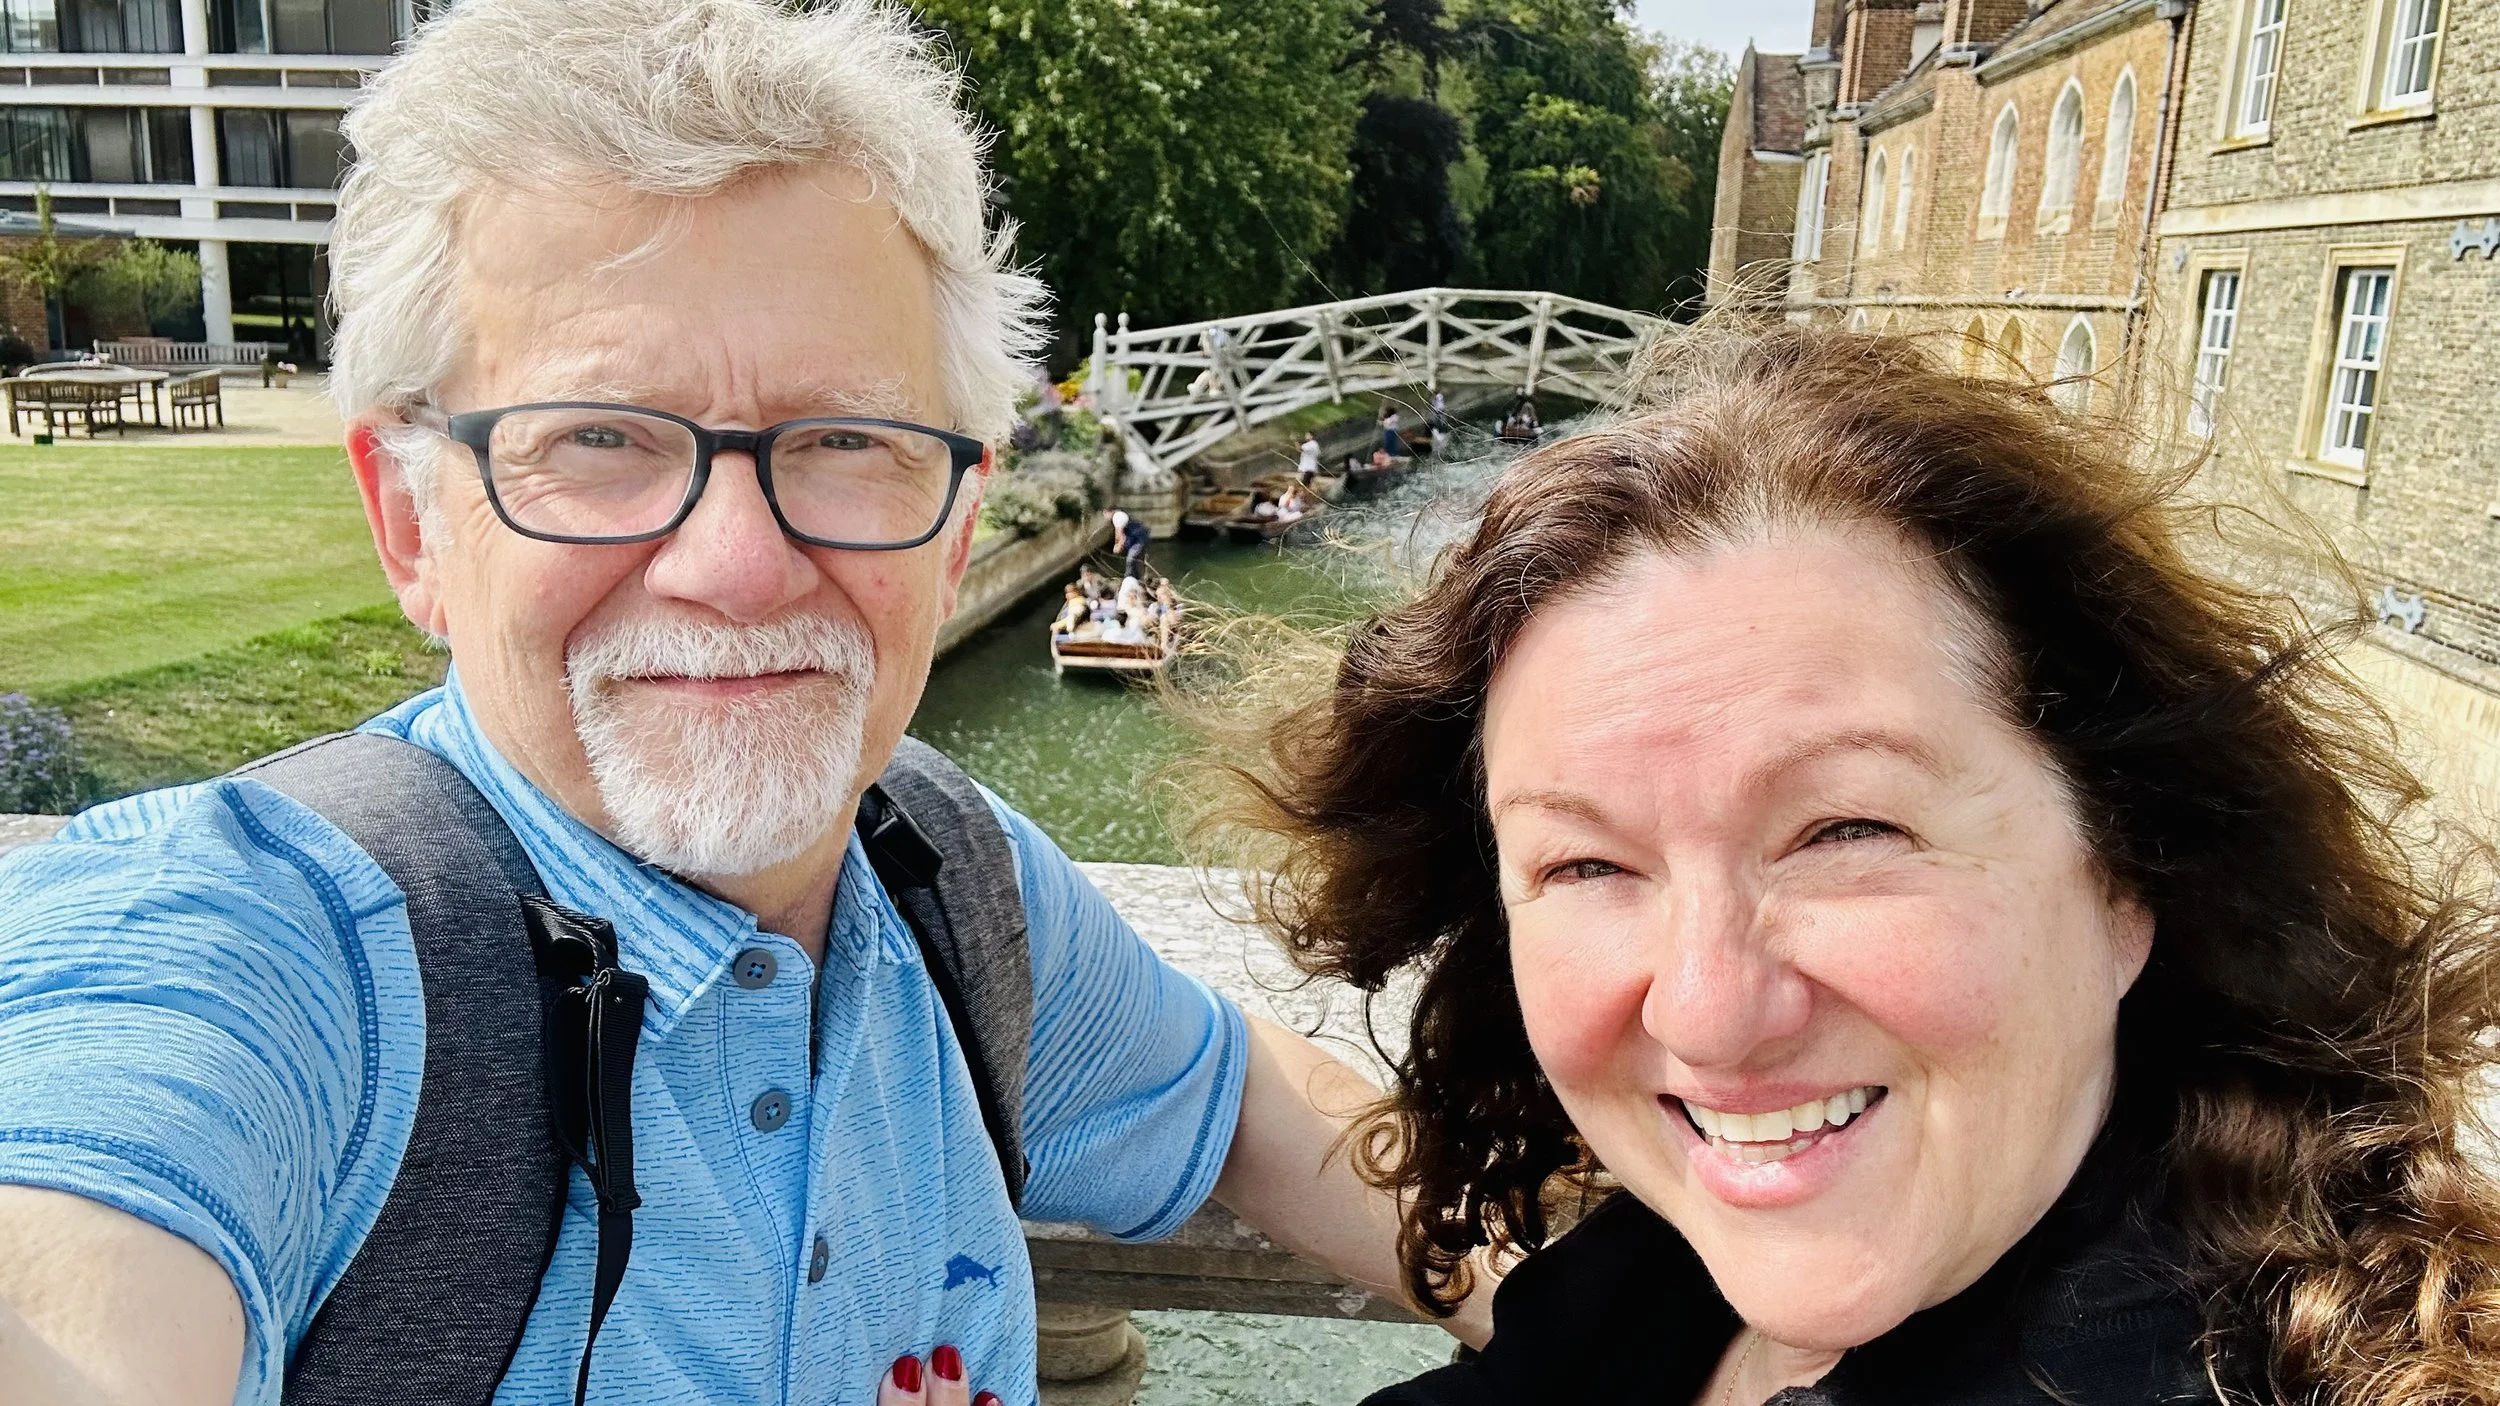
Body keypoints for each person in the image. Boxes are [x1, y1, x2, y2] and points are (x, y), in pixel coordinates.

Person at [0, 4, 1495, 1405]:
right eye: (597, 439)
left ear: (958, 525)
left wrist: (1665, 1310)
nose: (739, 565)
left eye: (846, 438)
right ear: (413, 526)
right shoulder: (253, 946)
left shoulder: (946, 878)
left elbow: (1250, 1106)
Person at [1193, 326, 2500, 1406]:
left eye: (1846, 832)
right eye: (1587, 863)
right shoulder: (1652, 1292)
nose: (1705, 1008)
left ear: (2125, 872)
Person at [1109, 507, 1152, 582]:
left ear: (1108, 512)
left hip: (1138, 538)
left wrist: (1118, 546)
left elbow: (1121, 535)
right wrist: (1116, 544)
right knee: (1135, 559)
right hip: (1134, 538)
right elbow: (1118, 534)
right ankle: (1137, 577)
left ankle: (1128, 577)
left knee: (1130, 559)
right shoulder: (1118, 516)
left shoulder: (1117, 517)